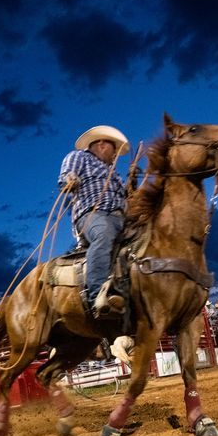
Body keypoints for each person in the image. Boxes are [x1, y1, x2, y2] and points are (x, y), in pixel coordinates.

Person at [59, 125, 130, 318]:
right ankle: (96, 296)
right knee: (103, 235)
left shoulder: (113, 173)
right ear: (102, 144)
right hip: (92, 215)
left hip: (120, 218)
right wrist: (69, 180)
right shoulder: (78, 157)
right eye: (115, 151)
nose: (116, 156)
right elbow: (66, 176)